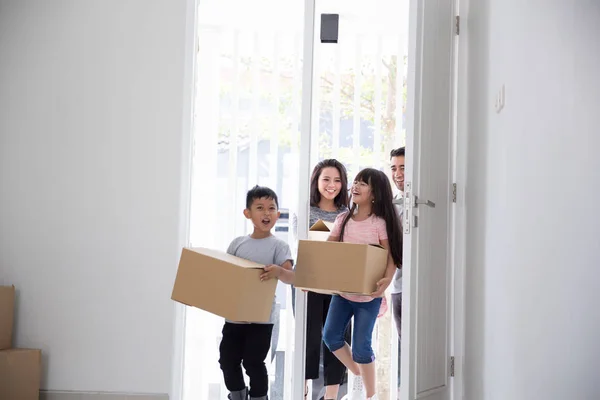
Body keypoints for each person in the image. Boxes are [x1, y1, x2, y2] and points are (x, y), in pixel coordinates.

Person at [323, 168, 403, 400]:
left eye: (363, 184)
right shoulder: (343, 219)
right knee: (331, 336)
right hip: (343, 294)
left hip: (368, 297)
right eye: (355, 182)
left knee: (361, 348)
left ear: (375, 193)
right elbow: (327, 249)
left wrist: (387, 280)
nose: (355, 186)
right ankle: (358, 373)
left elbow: (390, 256)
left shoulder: (378, 223)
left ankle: (370, 395)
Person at [218, 185, 295, 400]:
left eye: (271, 208)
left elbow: (292, 277)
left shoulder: (279, 246)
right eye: (260, 207)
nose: (266, 213)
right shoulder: (238, 243)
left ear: (278, 215)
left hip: (262, 318)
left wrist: (279, 271)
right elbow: (224, 274)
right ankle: (237, 396)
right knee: (227, 360)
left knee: (253, 362)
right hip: (235, 315)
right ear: (247, 213)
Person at [304, 159, 351, 400]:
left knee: (337, 338)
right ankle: (301, 390)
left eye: (337, 180)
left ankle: (331, 395)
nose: (332, 185)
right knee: (309, 337)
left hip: (339, 285)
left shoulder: (348, 213)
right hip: (310, 283)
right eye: (326, 179)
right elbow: (307, 246)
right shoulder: (305, 211)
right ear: (316, 181)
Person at [389, 147, 405, 392]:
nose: (398, 173)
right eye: (393, 167)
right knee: (404, 351)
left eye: (403, 167)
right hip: (397, 288)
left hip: (416, 288)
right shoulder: (390, 206)